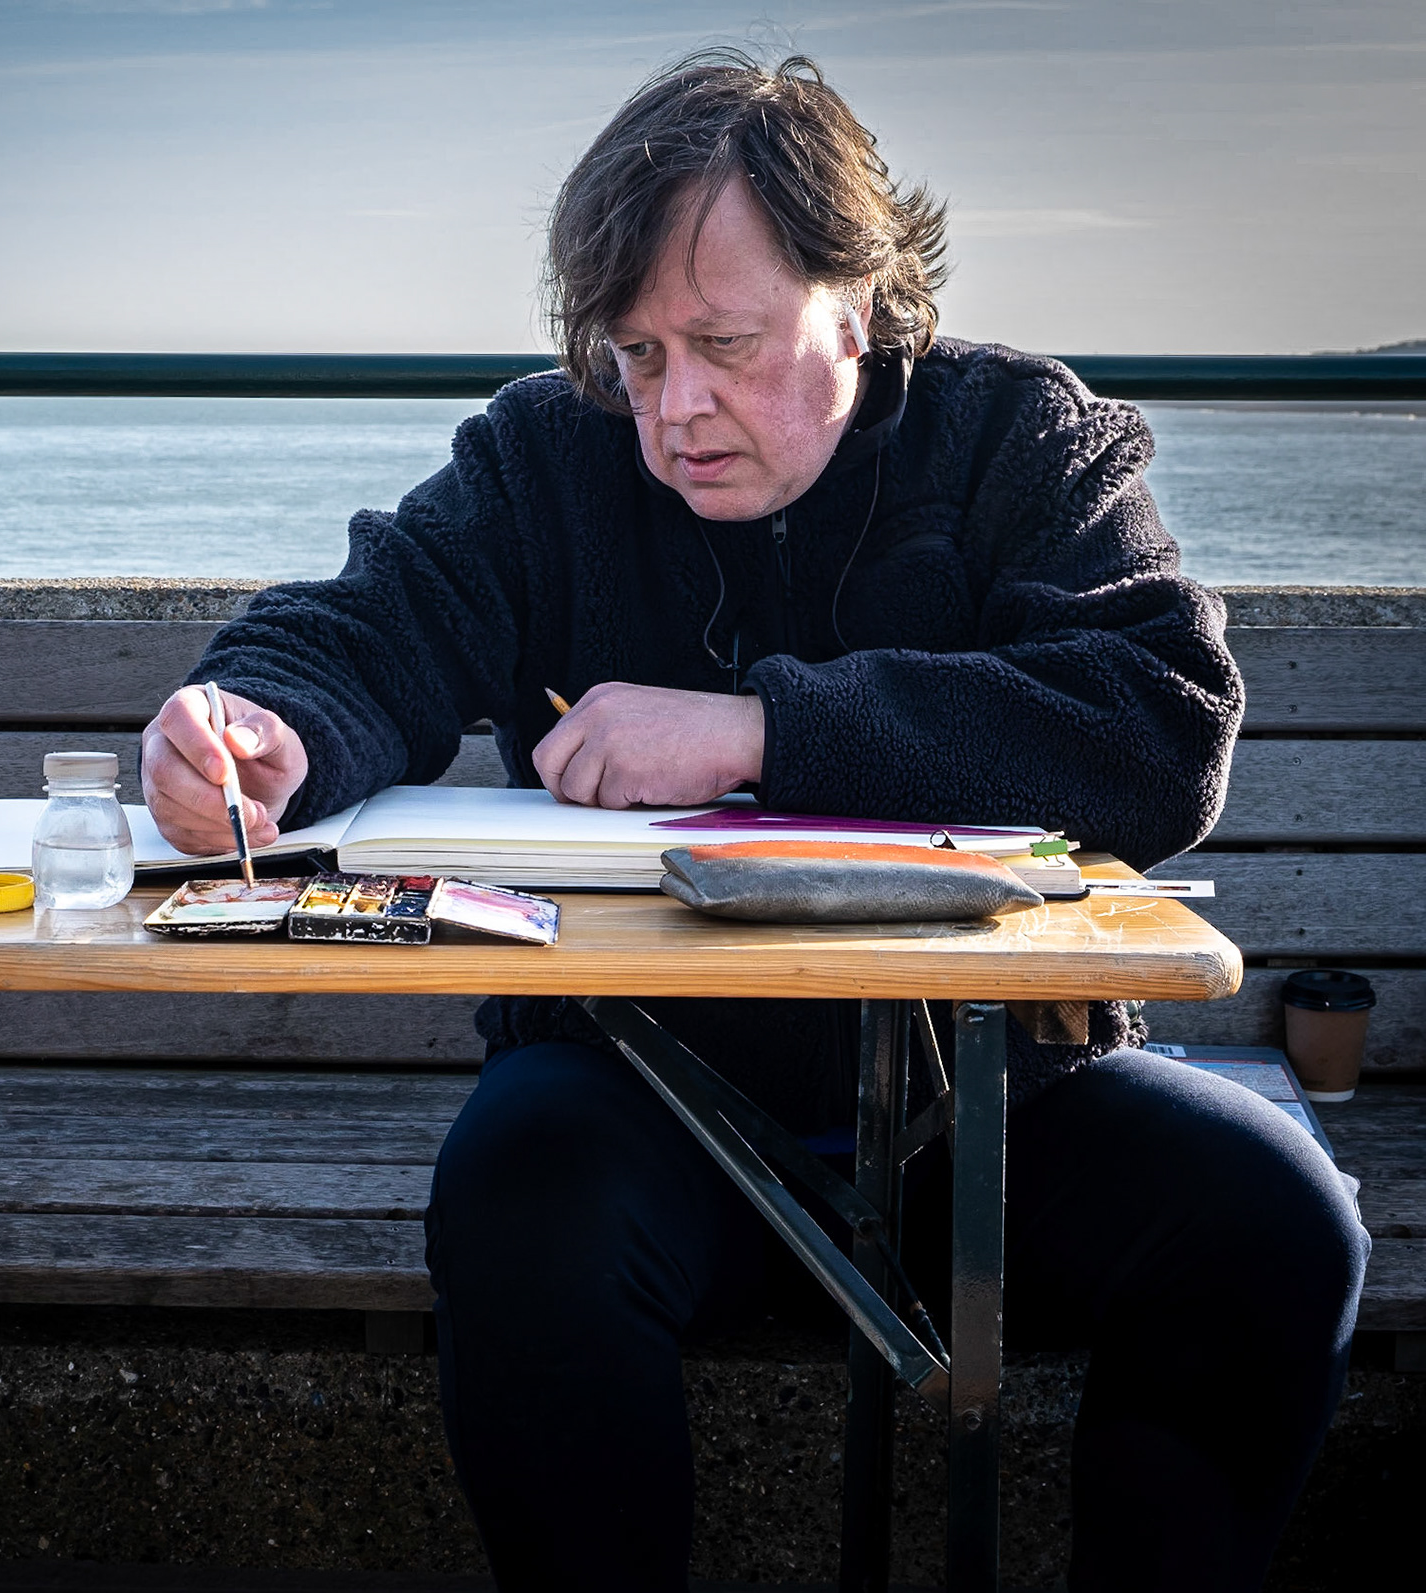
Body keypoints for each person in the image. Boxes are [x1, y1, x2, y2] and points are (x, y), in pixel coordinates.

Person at [141, 52, 1366, 1593]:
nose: (673, 409)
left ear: (858, 302)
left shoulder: (1019, 437)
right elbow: (365, 629)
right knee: (520, 1202)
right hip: (641, 1095)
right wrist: (261, 726)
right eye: (636, 355)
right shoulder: (543, 455)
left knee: (1275, 1219)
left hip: (997, 1105)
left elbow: (1162, 715)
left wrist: (760, 732)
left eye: (723, 344)